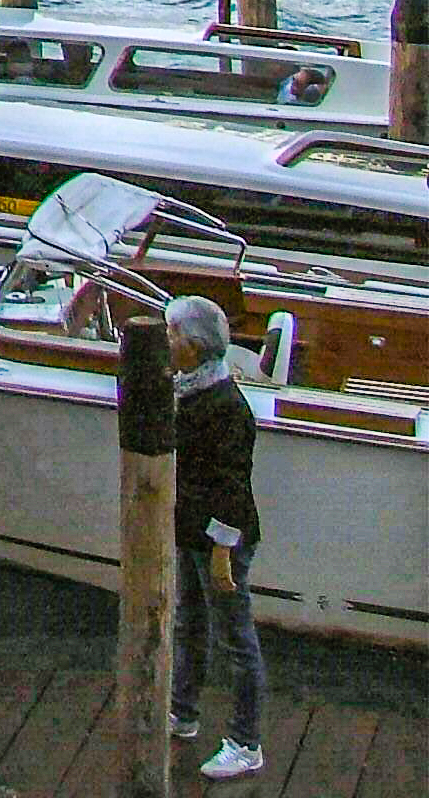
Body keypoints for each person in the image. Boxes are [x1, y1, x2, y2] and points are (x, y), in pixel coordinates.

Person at [166, 294, 266, 779]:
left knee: (235, 638)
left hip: (220, 540)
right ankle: (183, 711)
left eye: (173, 335)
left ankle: (246, 742)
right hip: (191, 532)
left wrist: (224, 553)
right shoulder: (187, 390)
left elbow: (232, 484)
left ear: (194, 345)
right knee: (189, 622)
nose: (168, 342)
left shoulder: (226, 407)